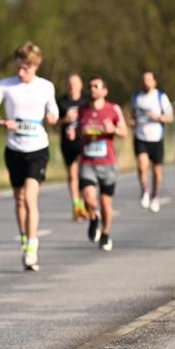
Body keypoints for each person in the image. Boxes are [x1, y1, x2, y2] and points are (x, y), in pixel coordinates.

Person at [0, 42, 59, 271]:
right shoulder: (6, 85)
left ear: (36, 66)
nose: (21, 72)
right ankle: (24, 237)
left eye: (26, 68)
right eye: (19, 67)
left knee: (31, 197)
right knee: (20, 199)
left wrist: (53, 115)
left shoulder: (45, 86)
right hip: (14, 149)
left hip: (37, 148)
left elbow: (53, 109)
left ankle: (32, 246)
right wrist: (1, 122)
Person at [69, 77, 127, 252]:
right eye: (91, 86)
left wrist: (114, 130)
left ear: (104, 91)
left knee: (106, 203)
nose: (92, 89)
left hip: (107, 163)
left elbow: (124, 132)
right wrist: (72, 131)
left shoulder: (113, 109)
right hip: (87, 162)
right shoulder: (83, 110)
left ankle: (105, 234)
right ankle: (94, 218)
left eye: (96, 86)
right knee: (88, 199)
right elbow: (76, 127)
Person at [130, 71, 174, 212]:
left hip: (156, 138)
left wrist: (159, 118)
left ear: (154, 82)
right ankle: (145, 190)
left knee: (157, 171)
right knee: (142, 165)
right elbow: (133, 115)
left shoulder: (161, 97)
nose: (146, 82)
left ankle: (155, 196)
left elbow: (170, 117)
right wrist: (132, 122)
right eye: (144, 79)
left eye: (149, 79)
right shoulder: (137, 97)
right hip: (140, 136)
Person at [57, 73, 88, 221]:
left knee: (83, 174)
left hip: (85, 142)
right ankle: (76, 205)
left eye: (75, 83)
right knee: (72, 174)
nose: (72, 86)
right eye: (70, 83)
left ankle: (83, 202)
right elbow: (52, 120)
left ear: (81, 85)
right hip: (68, 143)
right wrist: (65, 120)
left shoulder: (86, 101)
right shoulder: (61, 101)